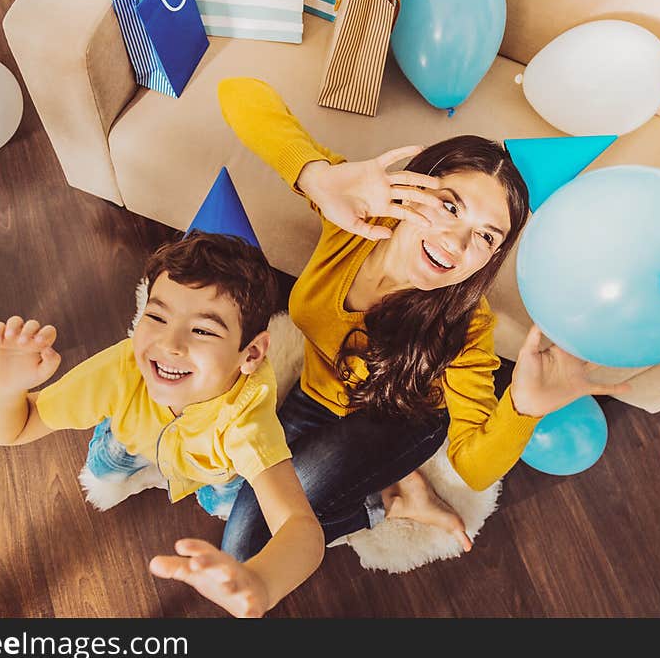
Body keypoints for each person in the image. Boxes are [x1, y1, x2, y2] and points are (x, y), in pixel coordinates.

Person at [216, 78, 630, 561]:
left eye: (486, 237)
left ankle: (393, 496)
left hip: (397, 421)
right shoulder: (356, 220)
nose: (455, 242)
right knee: (251, 491)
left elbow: (472, 469)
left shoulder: (468, 328)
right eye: (449, 206)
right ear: (412, 186)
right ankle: (394, 497)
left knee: (248, 543)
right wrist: (315, 175)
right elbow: (237, 91)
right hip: (315, 395)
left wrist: (524, 407)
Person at [0, 231, 324, 618]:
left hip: (214, 469)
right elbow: (10, 429)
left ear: (252, 353)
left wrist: (261, 582)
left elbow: (302, 529)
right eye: (156, 316)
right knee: (106, 467)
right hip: (133, 441)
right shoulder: (121, 370)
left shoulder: (245, 421)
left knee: (221, 499)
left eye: (203, 330)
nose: (169, 343)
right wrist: (2, 387)